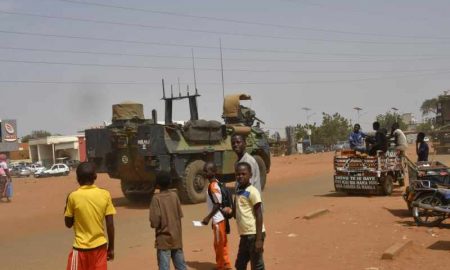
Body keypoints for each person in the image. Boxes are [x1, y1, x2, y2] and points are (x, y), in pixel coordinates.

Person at [64, 162, 116, 270]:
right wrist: (111, 248)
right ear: (95, 177)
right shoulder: (105, 194)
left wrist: (67, 205)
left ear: (78, 178)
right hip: (100, 249)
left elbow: (68, 224)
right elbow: (110, 224)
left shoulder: (73, 196)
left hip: (80, 249)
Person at [150, 172, 186, 270]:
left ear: (157, 185)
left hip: (163, 240)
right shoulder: (174, 196)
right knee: (181, 266)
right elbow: (179, 215)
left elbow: (155, 222)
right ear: (170, 183)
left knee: (164, 267)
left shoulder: (156, 199)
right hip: (176, 238)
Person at [233, 162, 265, 270]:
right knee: (240, 265)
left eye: (243, 174)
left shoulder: (253, 191)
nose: (240, 176)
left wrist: (259, 239)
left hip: (254, 234)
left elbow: (259, 214)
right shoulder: (238, 191)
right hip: (244, 235)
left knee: (256, 266)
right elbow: (237, 211)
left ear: (250, 175)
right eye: (238, 174)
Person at [201, 162, 232, 270]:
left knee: (219, 244)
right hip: (219, 219)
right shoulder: (216, 183)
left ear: (214, 172)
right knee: (221, 243)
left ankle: (222, 266)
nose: (204, 172)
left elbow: (217, 204)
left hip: (218, 220)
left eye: (207, 170)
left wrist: (208, 218)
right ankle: (224, 264)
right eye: (204, 170)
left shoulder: (213, 186)